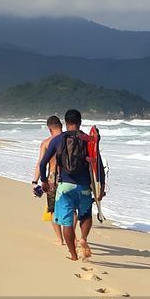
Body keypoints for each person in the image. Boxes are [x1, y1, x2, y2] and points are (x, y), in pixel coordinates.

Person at [37, 109, 96, 260]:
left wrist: (43, 181)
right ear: (80, 122)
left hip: (64, 187)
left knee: (67, 222)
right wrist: (99, 187)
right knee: (86, 215)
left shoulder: (58, 140)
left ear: (66, 123)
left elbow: (43, 163)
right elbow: (97, 166)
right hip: (84, 186)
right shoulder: (88, 139)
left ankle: (73, 255)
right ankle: (83, 238)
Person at [30, 115, 64, 246]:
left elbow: (40, 163)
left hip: (52, 178)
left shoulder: (46, 143)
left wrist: (35, 182)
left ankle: (60, 239)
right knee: (71, 209)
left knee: (53, 209)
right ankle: (72, 236)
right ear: (61, 126)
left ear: (50, 129)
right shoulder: (70, 139)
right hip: (69, 177)